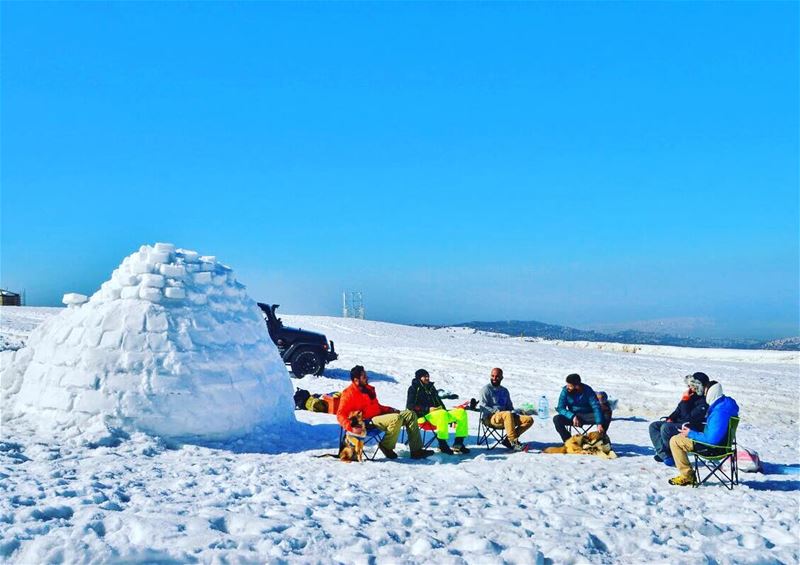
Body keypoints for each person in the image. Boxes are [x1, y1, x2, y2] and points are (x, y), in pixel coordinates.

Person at [337, 365, 434, 460]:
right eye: (364, 376)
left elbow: (377, 407)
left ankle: (416, 451)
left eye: (366, 375)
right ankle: (386, 446)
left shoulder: (368, 389)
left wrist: (390, 409)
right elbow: (340, 414)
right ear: (356, 380)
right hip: (368, 422)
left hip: (379, 417)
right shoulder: (348, 393)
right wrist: (351, 427)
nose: (367, 378)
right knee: (396, 418)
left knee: (410, 414)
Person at [668, 381, 739, 486]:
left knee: (675, 440)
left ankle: (687, 476)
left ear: (711, 393)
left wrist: (691, 434)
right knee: (682, 435)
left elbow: (712, 440)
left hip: (713, 448)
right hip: (724, 445)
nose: (705, 395)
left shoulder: (719, 412)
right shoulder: (727, 403)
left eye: (706, 392)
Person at [648, 372, 710, 466]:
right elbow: (678, 410)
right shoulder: (691, 395)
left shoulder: (703, 401)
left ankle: (670, 454)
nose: (691, 387)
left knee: (666, 428)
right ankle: (665, 455)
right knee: (654, 426)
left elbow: (688, 418)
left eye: (693, 385)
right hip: (679, 423)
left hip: (690, 427)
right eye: (690, 385)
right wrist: (670, 418)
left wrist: (685, 401)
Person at [406, 369, 470, 455]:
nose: (427, 378)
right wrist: (428, 409)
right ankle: (442, 444)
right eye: (424, 376)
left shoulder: (431, 387)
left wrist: (444, 410)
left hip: (438, 414)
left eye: (428, 376)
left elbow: (439, 401)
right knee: (442, 414)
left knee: (461, 412)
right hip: (422, 417)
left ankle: (458, 443)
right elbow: (410, 406)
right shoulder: (413, 388)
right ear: (419, 378)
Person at [479, 368, 533, 451]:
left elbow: (510, 407)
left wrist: (515, 412)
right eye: (492, 376)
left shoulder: (504, 391)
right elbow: (483, 406)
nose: (494, 378)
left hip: (506, 417)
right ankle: (513, 441)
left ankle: (508, 440)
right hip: (491, 417)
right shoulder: (486, 389)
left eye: (497, 376)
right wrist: (497, 412)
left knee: (528, 419)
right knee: (507, 414)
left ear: (501, 378)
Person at [553, 373, 607, 442]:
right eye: (567, 385)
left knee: (606, 415)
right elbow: (560, 408)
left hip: (587, 415)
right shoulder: (565, 391)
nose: (567, 387)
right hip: (573, 416)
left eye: (570, 386)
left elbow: (596, 407)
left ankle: (601, 439)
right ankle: (569, 442)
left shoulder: (588, 390)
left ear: (577, 386)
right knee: (557, 419)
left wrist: (599, 423)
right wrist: (572, 416)